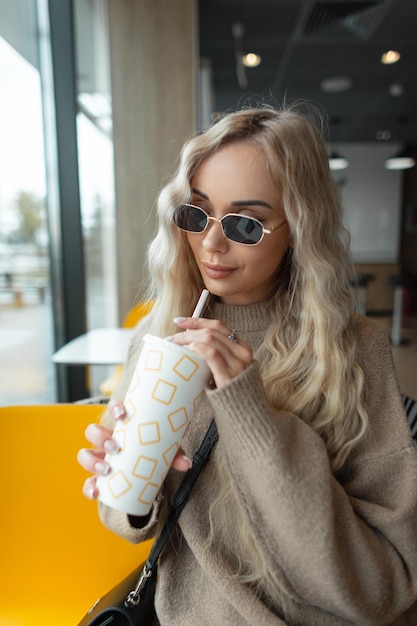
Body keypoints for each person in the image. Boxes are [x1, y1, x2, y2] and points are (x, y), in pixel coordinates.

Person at [77, 103, 417, 625]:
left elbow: (384, 586)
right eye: (196, 214)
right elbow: (125, 520)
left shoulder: (356, 347)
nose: (211, 243)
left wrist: (247, 405)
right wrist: (129, 484)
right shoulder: (161, 331)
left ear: (299, 227)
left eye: (246, 224)